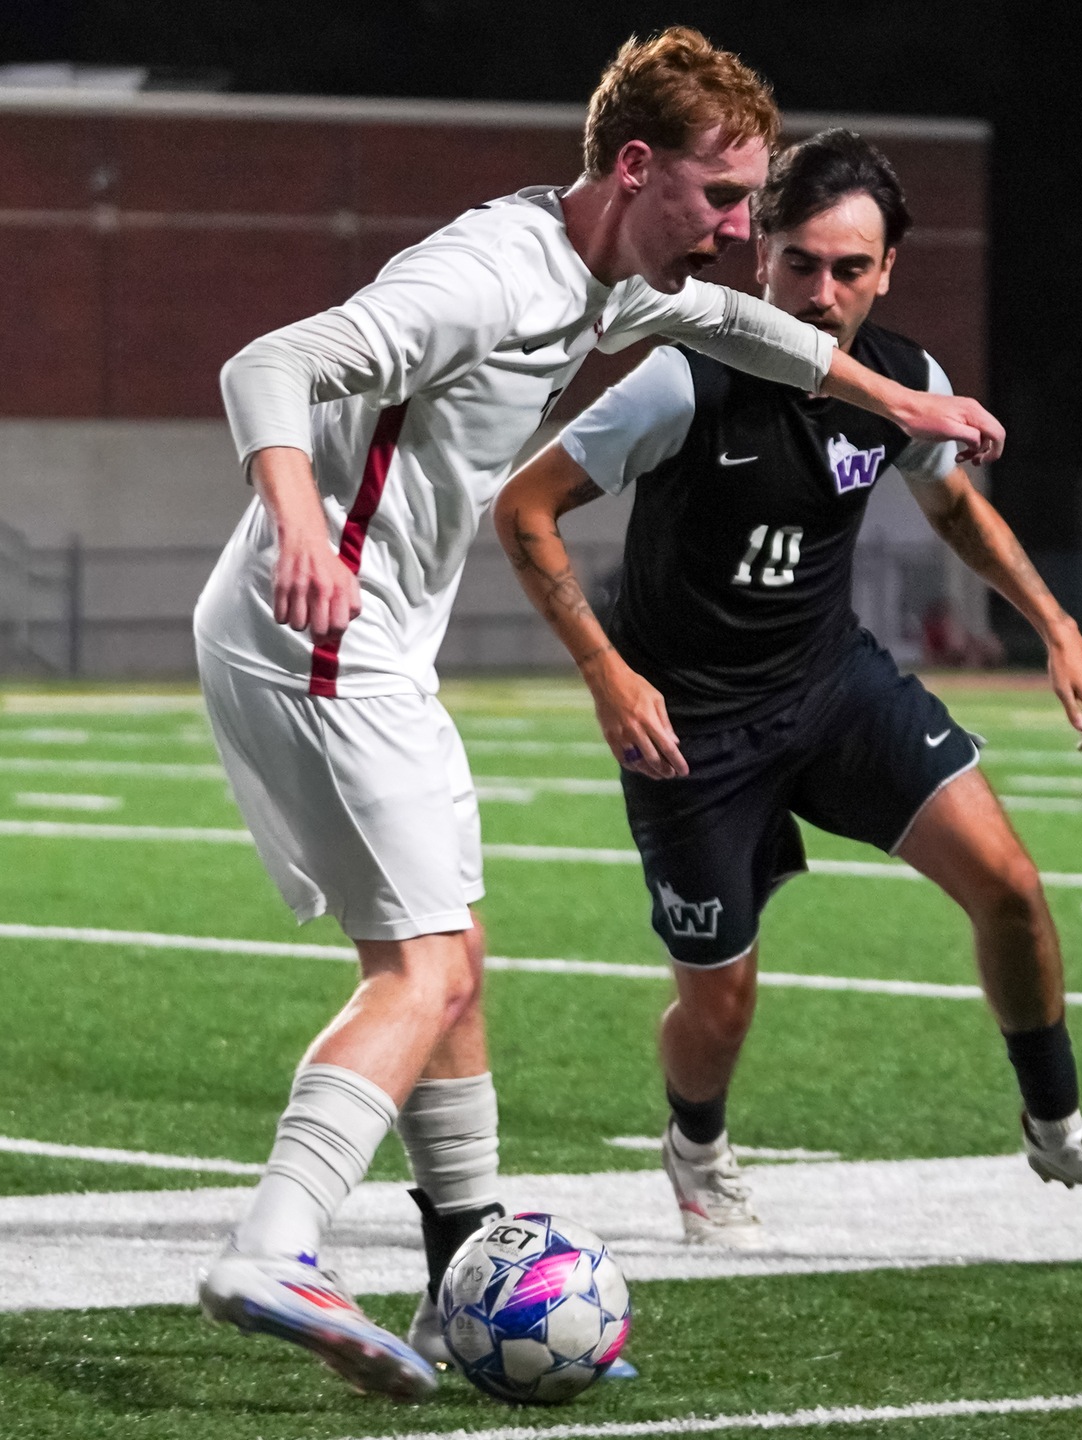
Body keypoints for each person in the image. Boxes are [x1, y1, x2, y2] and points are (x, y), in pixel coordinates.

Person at [189, 33, 1004, 1401]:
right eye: (722, 196)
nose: (741, 228)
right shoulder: (489, 275)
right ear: (634, 167)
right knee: (422, 975)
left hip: (369, 644)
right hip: (318, 631)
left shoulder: (604, 275)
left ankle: (457, 1283)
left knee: (457, 958)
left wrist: (903, 400)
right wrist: (299, 533)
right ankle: (273, 1244)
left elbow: (744, 329)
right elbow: (265, 366)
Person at [493, 129, 1082, 1248]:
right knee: (719, 1006)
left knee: (1009, 885)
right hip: (692, 730)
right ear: (758, 253)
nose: (822, 295)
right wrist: (605, 672)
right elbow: (522, 508)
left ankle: (1058, 1129)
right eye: (801, 264)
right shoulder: (685, 378)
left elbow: (954, 503)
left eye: (850, 269)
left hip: (828, 688)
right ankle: (697, 1148)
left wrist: (1058, 627)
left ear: (887, 271)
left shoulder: (906, 382)